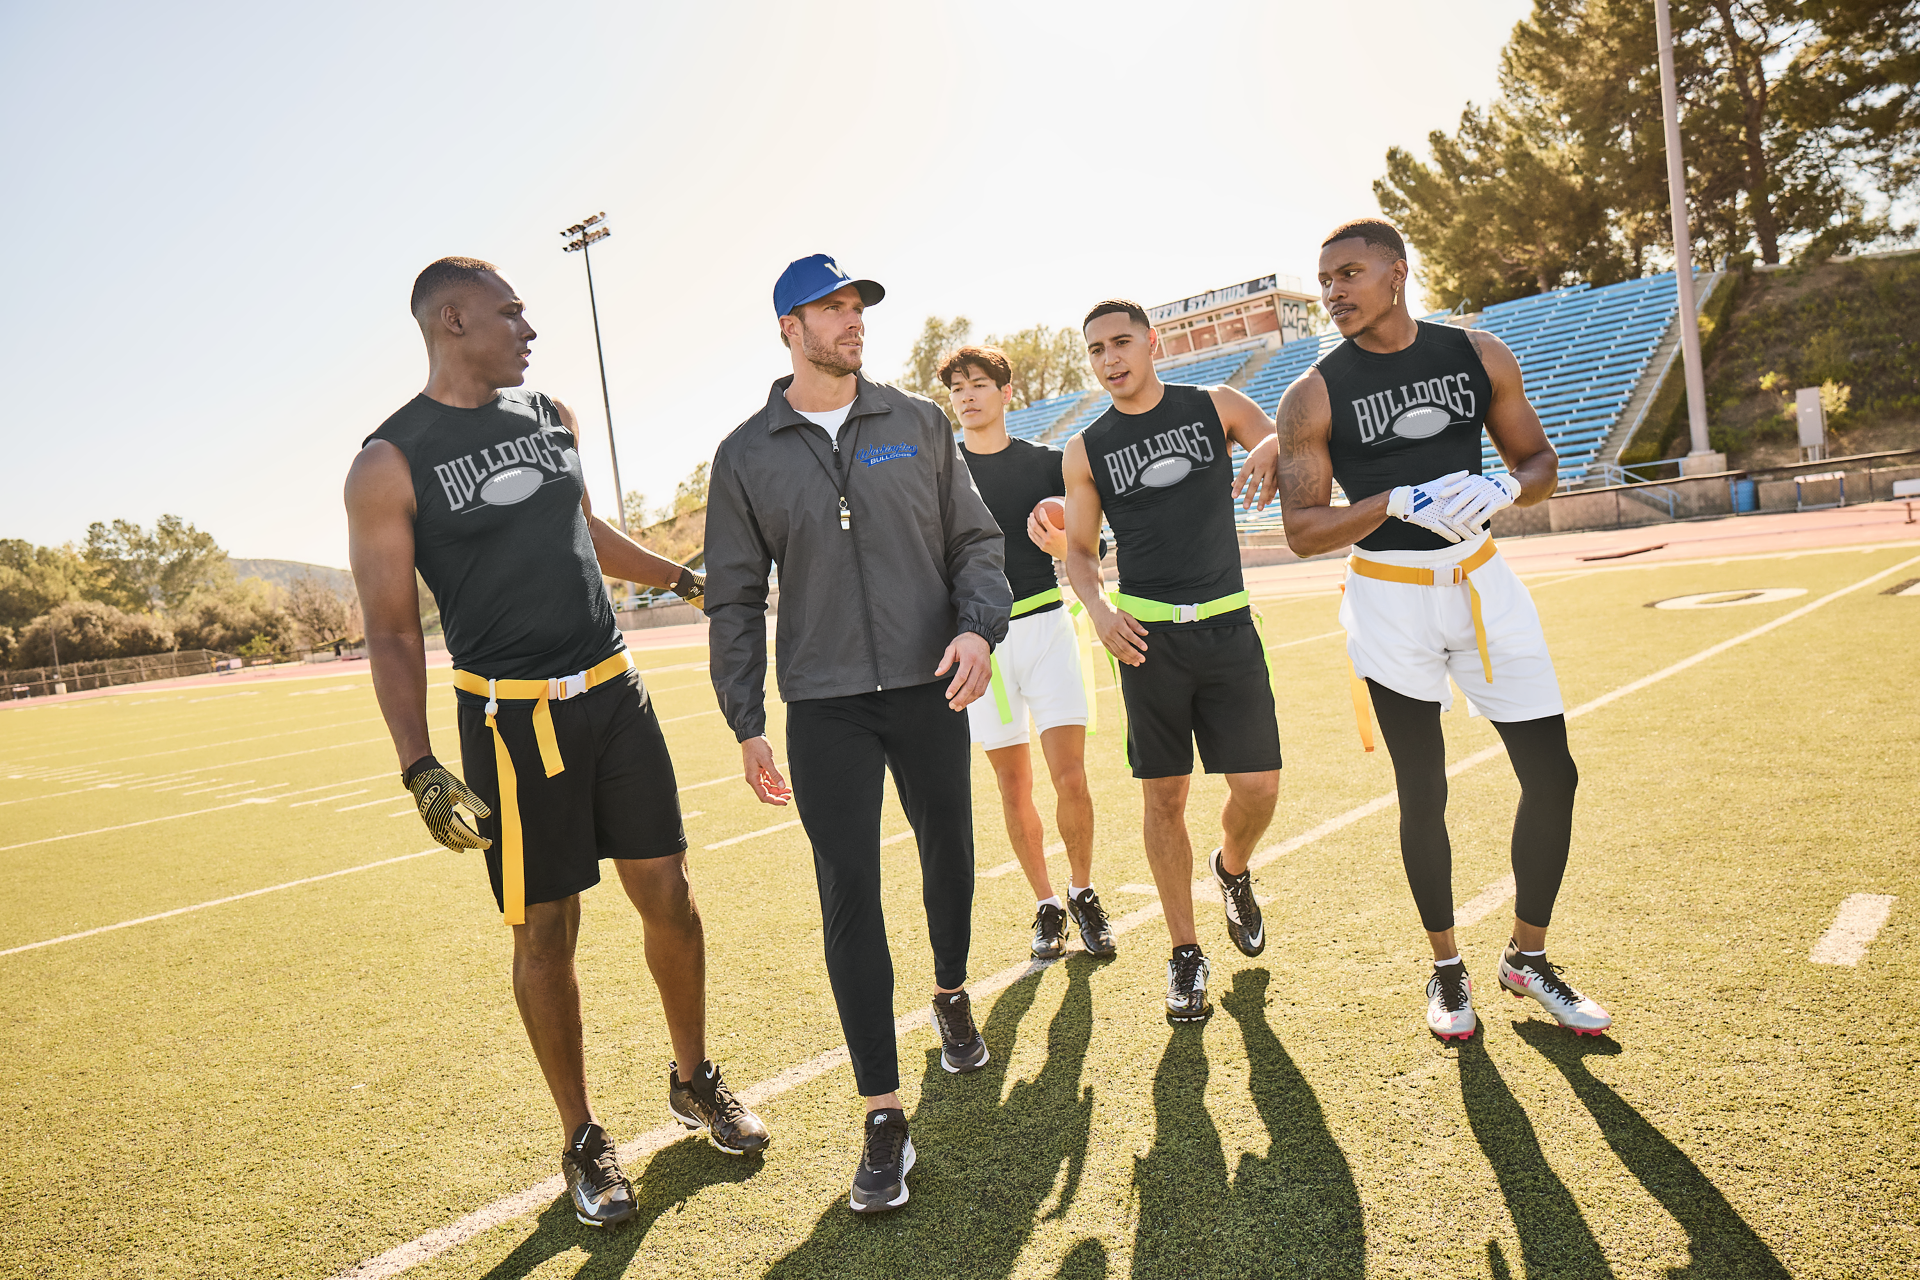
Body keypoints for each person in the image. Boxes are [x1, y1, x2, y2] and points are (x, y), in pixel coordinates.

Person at [345, 256, 769, 1231]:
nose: (530, 330)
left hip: (615, 692)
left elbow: (585, 531)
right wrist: (418, 766)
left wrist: (681, 578)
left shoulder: (551, 416)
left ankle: (694, 1077)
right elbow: (393, 629)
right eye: (511, 313)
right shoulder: (388, 462)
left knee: (670, 894)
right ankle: (582, 1136)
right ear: (453, 320)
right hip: (510, 721)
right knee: (546, 930)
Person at [704, 254, 1010, 1213]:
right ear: (788, 328)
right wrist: (746, 720)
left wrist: (978, 627)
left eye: (856, 305)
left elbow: (976, 542)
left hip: (931, 684)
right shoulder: (745, 455)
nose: (852, 320)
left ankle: (950, 991)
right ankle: (883, 1114)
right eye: (830, 308)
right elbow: (733, 598)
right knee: (848, 892)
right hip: (825, 705)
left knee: (950, 852)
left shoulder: (918, 422)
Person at [1274, 218, 1610, 1042]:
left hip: (1483, 582)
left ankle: (1527, 958)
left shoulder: (1478, 353)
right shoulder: (1312, 393)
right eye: (1326, 280)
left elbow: (1540, 464)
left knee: (1553, 775)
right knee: (1424, 790)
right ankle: (1447, 969)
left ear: (1398, 273)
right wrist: (1390, 502)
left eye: (1350, 273)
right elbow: (1302, 531)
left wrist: (1505, 488)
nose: (1334, 292)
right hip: (1389, 597)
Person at [1061, 299, 1283, 1026]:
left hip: (1227, 625)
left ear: (1152, 342)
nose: (1110, 359)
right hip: (1147, 640)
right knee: (1164, 799)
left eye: (1121, 342)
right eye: (1097, 350)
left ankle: (1232, 868)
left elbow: (1280, 436)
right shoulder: (1086, 448)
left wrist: (1272, 446)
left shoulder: (1213, 405)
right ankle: (1185, 953)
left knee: (1258, 787)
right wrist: (1099, 610)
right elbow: (1080, 554)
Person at [946, 345, 1116, 963]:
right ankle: (1046, 903)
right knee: (1013, 785)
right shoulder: (944, 472)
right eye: (957, 388)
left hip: (1047, 628)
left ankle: (1082, 891)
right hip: (982, 645)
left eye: (978, 384)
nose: (967, 395)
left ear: (1006, 392)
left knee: (1071, 776)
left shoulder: (1048, 464)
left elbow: (1096, 544)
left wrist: (1067, 547)